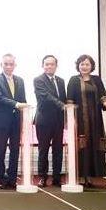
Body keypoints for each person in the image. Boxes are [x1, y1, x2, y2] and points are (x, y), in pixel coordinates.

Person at [65, 54, 106, 188]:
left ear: (92, 66)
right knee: (81, 146)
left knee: (93, 146)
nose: (84, 67)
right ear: (78, 66)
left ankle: (90, 176)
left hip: (95, 119)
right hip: (79, 119)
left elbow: (103, 96)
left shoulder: (96, 80)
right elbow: (69, 100)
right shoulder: (73, 80)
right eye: (82, 64)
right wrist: (70, 119)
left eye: (87, 64)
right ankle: (80, 176)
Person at [0, 53, 27, 190]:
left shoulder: (20, 80)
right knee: (0, 150)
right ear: (1, 65)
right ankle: (1, 178)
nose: (9, 66)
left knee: (15, 150)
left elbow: (23, 99)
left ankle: (12, 178)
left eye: (11, 64)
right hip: (1, 120)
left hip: (16, 121)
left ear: (15, 65)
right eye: (6, 64)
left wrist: (23, 113)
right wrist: (16, 104)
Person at [33, 55, 66, 188]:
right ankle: (42, 177)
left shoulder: (61, 81)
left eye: (52, 64)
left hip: (59, 120)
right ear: (43, 66)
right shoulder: (38, 80)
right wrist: (61, 104)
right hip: (44, 120)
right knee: (43, 149)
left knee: (58, 150)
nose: (49, 66)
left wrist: (67, 106)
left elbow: (63, 97)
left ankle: (57, 177)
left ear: (56, 66)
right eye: (46, 64)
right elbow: (45, 96)